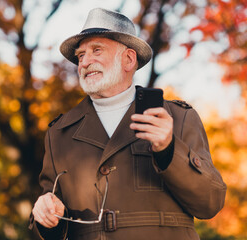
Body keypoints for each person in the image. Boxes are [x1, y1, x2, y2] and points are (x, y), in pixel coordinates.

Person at [29, 8, 226, 240]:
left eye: (97, 50)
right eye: (81, 56)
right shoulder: (59, 133)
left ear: (129, 59)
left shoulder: (178, 117)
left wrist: (168, 149)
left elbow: (210, 203)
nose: (85, 62)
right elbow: (49, 223)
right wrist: (46, 217)